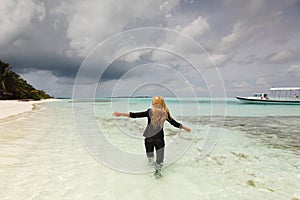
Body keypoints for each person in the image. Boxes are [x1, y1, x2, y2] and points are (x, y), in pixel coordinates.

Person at [113, 96, 191, 176]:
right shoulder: (165, 113)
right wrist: (185, 128)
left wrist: (120, 114)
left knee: (150, 159)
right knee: (160, 160)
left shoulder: (150, 112)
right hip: (159, 140)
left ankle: (151, 173)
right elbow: (174, 123)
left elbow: (136, 115)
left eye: (153, 103)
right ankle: (157, 174)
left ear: (153, 104)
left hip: (149, 140)